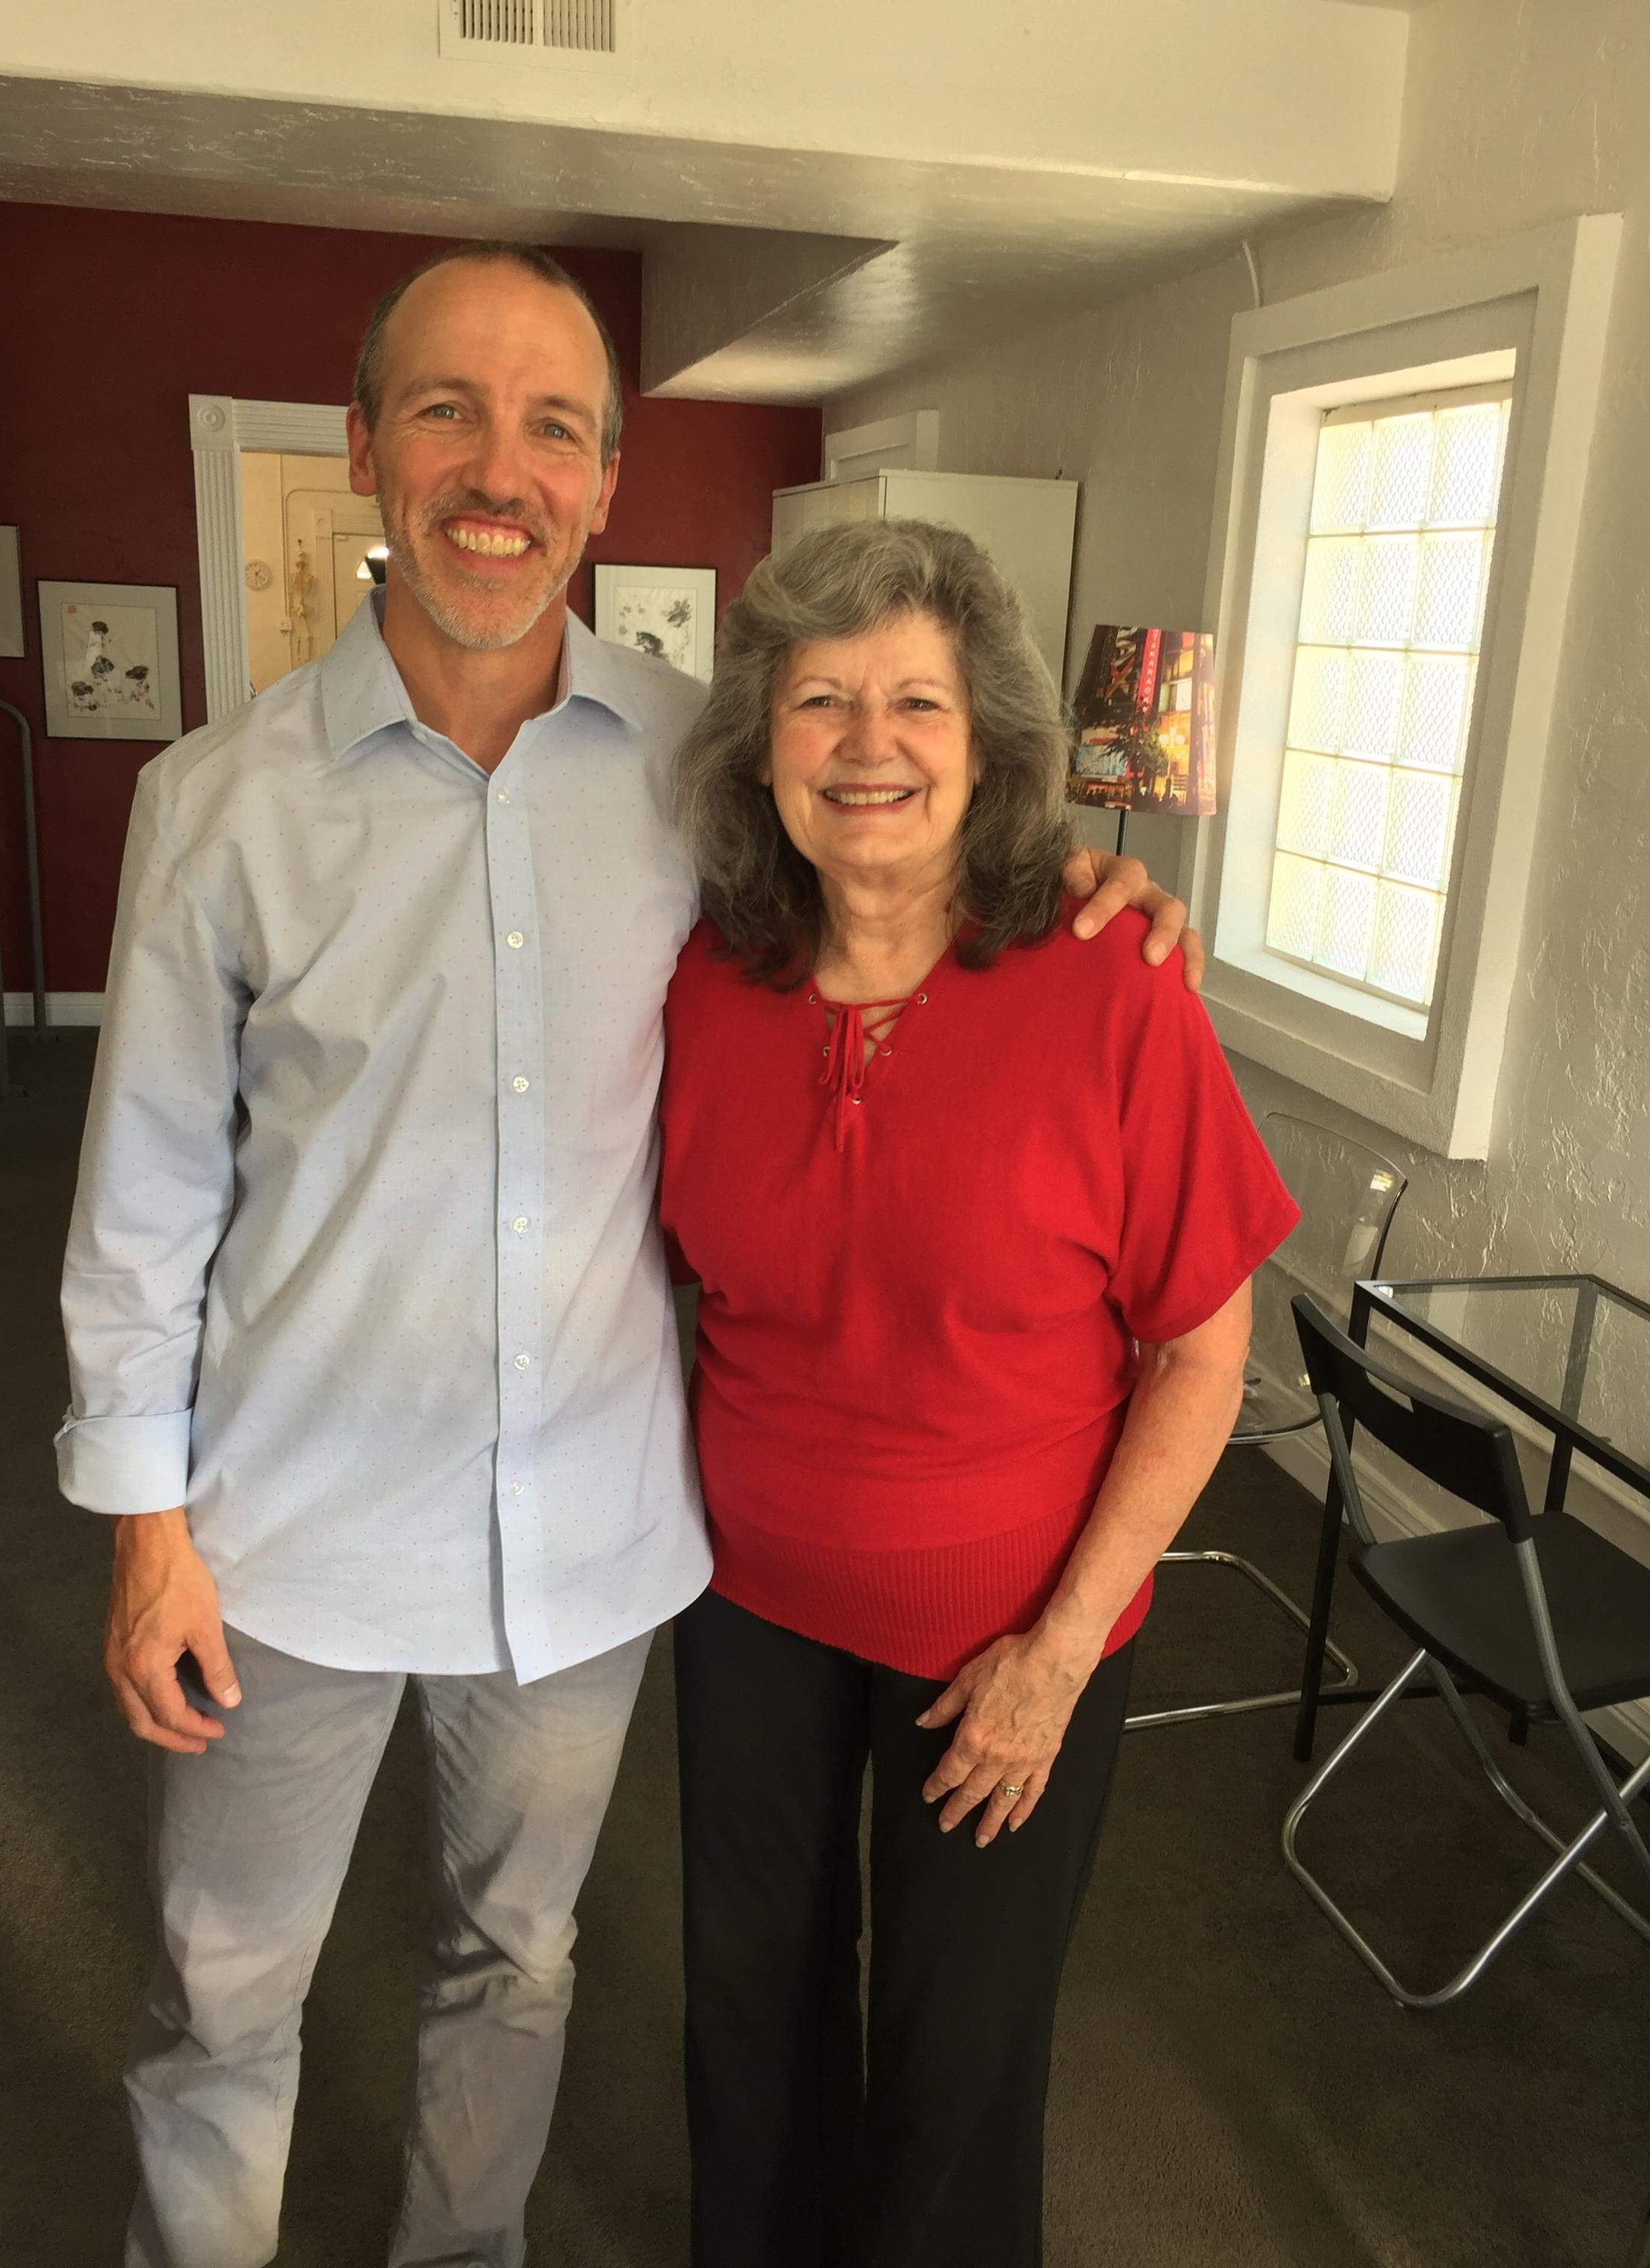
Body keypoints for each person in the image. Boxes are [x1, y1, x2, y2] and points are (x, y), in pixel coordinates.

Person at [57, 242, 1199, 2268]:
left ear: (605, 482)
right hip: (286, 1533)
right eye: (448, 411)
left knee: (516, 1964)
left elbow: (898, 864)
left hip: (583, 1541)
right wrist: (147, 1530)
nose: (498, 470)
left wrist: (1073, 875)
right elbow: (143, 1193)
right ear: (367, 446)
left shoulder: (702, 773)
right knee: (223, 1999)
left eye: (554, 429)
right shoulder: (217, 806)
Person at [659, 519, 1299, 2268]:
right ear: (761, 743)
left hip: (1013, 1629)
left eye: (917, 702)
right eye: (821, 700)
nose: (868, 745)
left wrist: (1059, 1653)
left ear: (989, 744)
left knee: (960, 2053)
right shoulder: (701, 982)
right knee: (749, 2007)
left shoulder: (1115, 989)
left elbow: (1202, 1352)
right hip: (745, 1598)